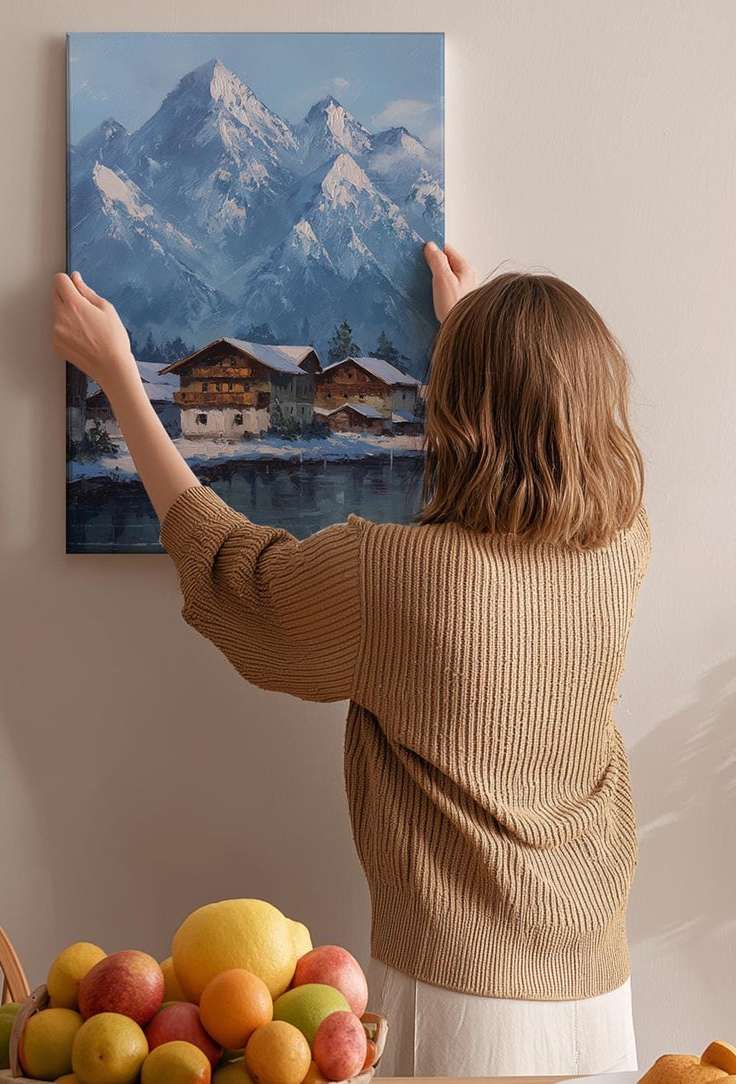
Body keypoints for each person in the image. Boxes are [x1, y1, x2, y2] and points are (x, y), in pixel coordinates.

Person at [51, 241, 649, 1076]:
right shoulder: (621, 548)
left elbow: (233, 570)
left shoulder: (390, 575)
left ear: (459, 405)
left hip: (458, 994)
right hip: (598, 985)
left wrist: (119, 376)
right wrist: (469, 331)